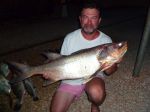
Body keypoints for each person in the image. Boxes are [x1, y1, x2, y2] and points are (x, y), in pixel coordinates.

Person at [43, 1, 120, 112]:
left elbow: (108, 72)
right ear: (80, 19)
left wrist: (115, 60)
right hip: (70, 78)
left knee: (97, 94)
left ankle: (94, 105)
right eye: (85, 17)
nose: (89, 23)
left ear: (99, 20)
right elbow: (60, 61)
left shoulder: (106, 41)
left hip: (94, 76)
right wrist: (51, 73)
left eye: (93, 18)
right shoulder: (70, 38)